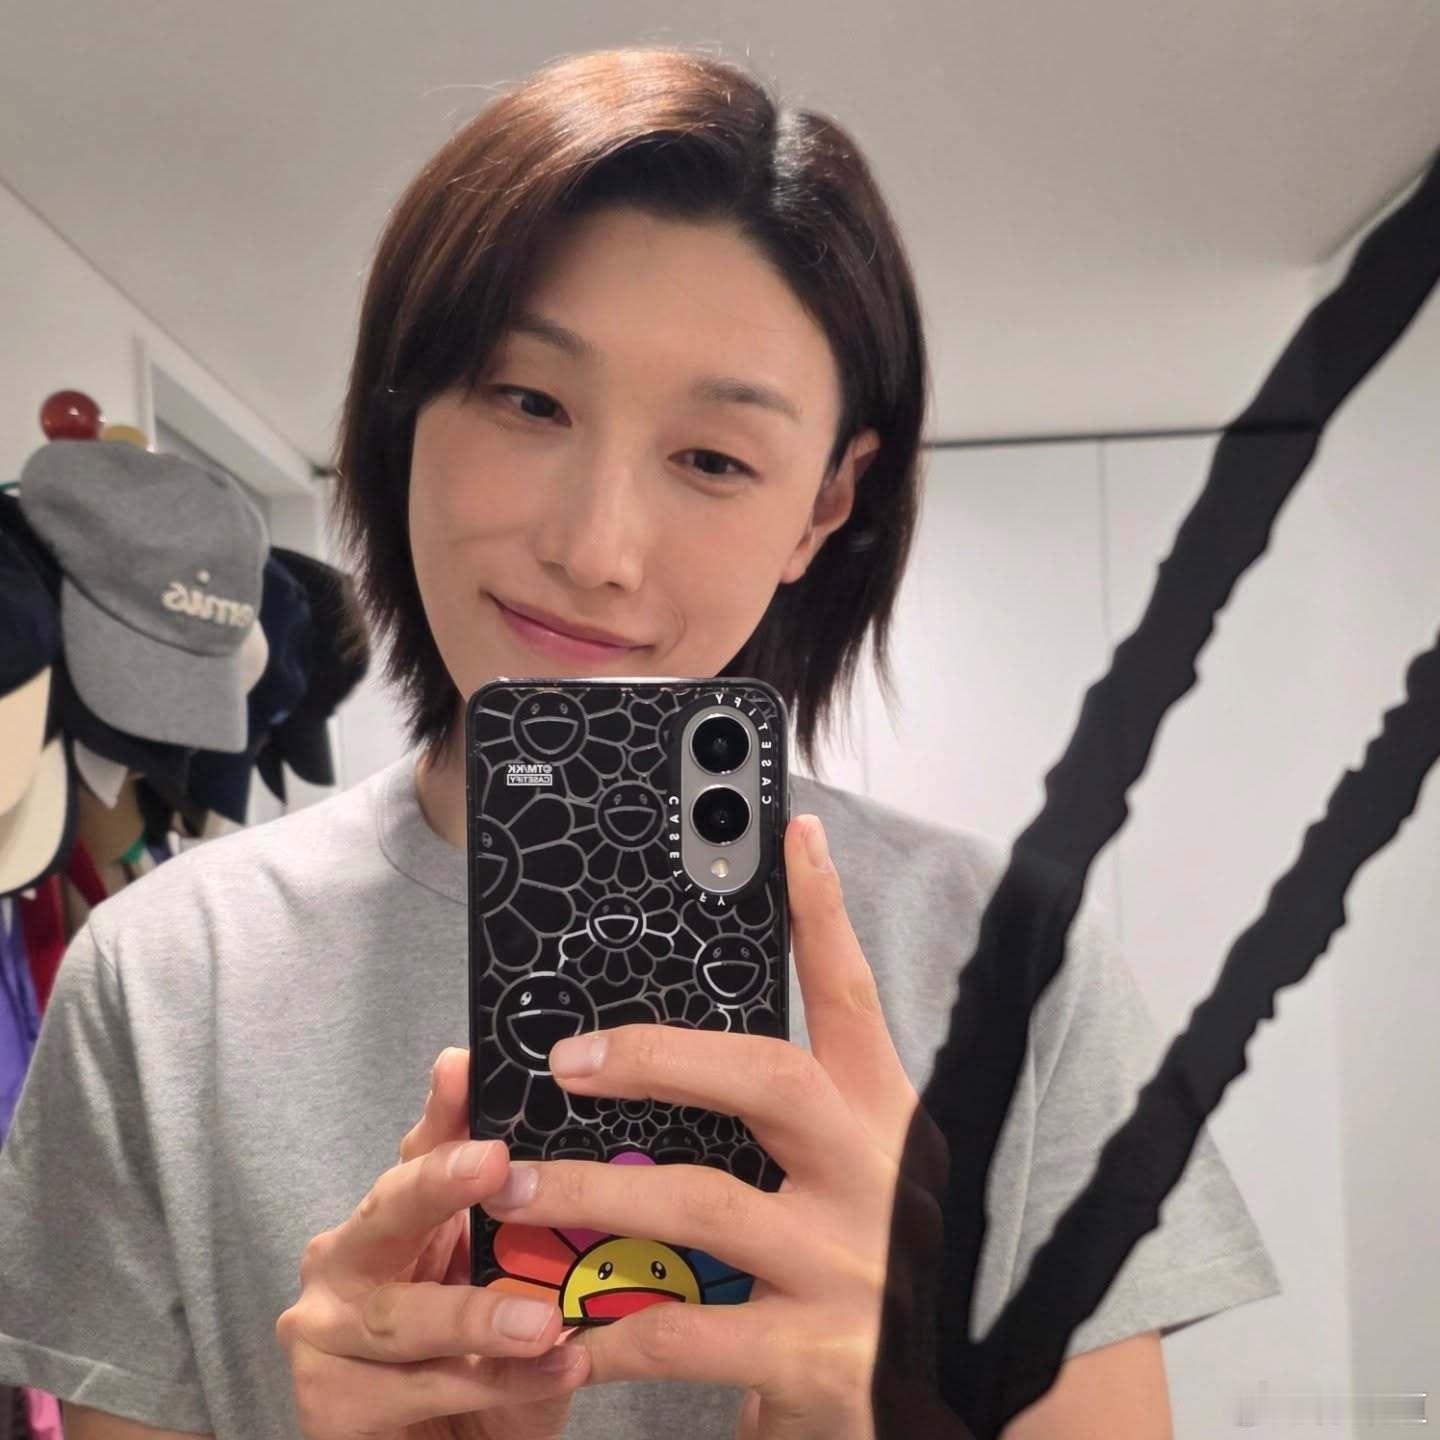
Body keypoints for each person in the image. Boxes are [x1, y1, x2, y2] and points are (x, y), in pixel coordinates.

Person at [0, 44, 1280, 1440]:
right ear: (405, 410)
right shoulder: (160, 977)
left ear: (822, 508)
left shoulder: (1012, 963)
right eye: (528, 401)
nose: (595, 549)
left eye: (714, 459)